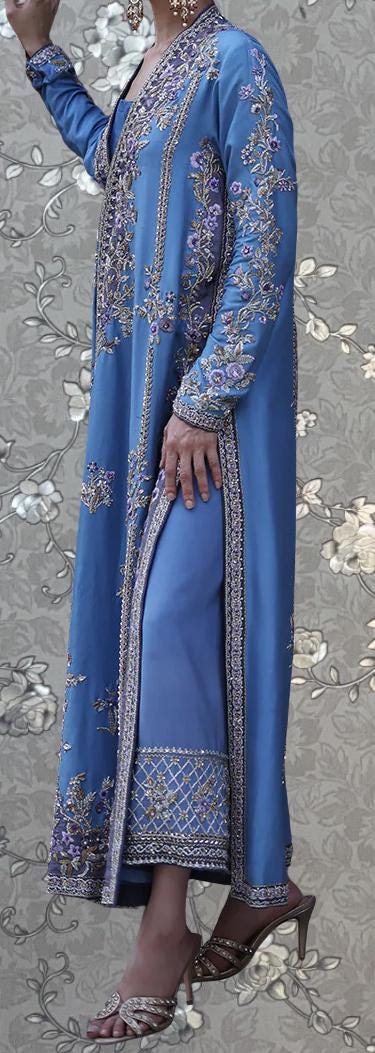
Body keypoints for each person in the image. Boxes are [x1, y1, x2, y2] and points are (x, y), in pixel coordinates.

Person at [7, 0, 316, 1042]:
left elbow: (265, 240)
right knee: (147, 635)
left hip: (203, 414)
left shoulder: (237, 62)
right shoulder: (158, 67)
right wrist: (40, 52)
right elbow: (119, 167)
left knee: (171, 618)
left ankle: (173, 929)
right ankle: (245, 896)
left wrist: (204, 397)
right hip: (143, 407)